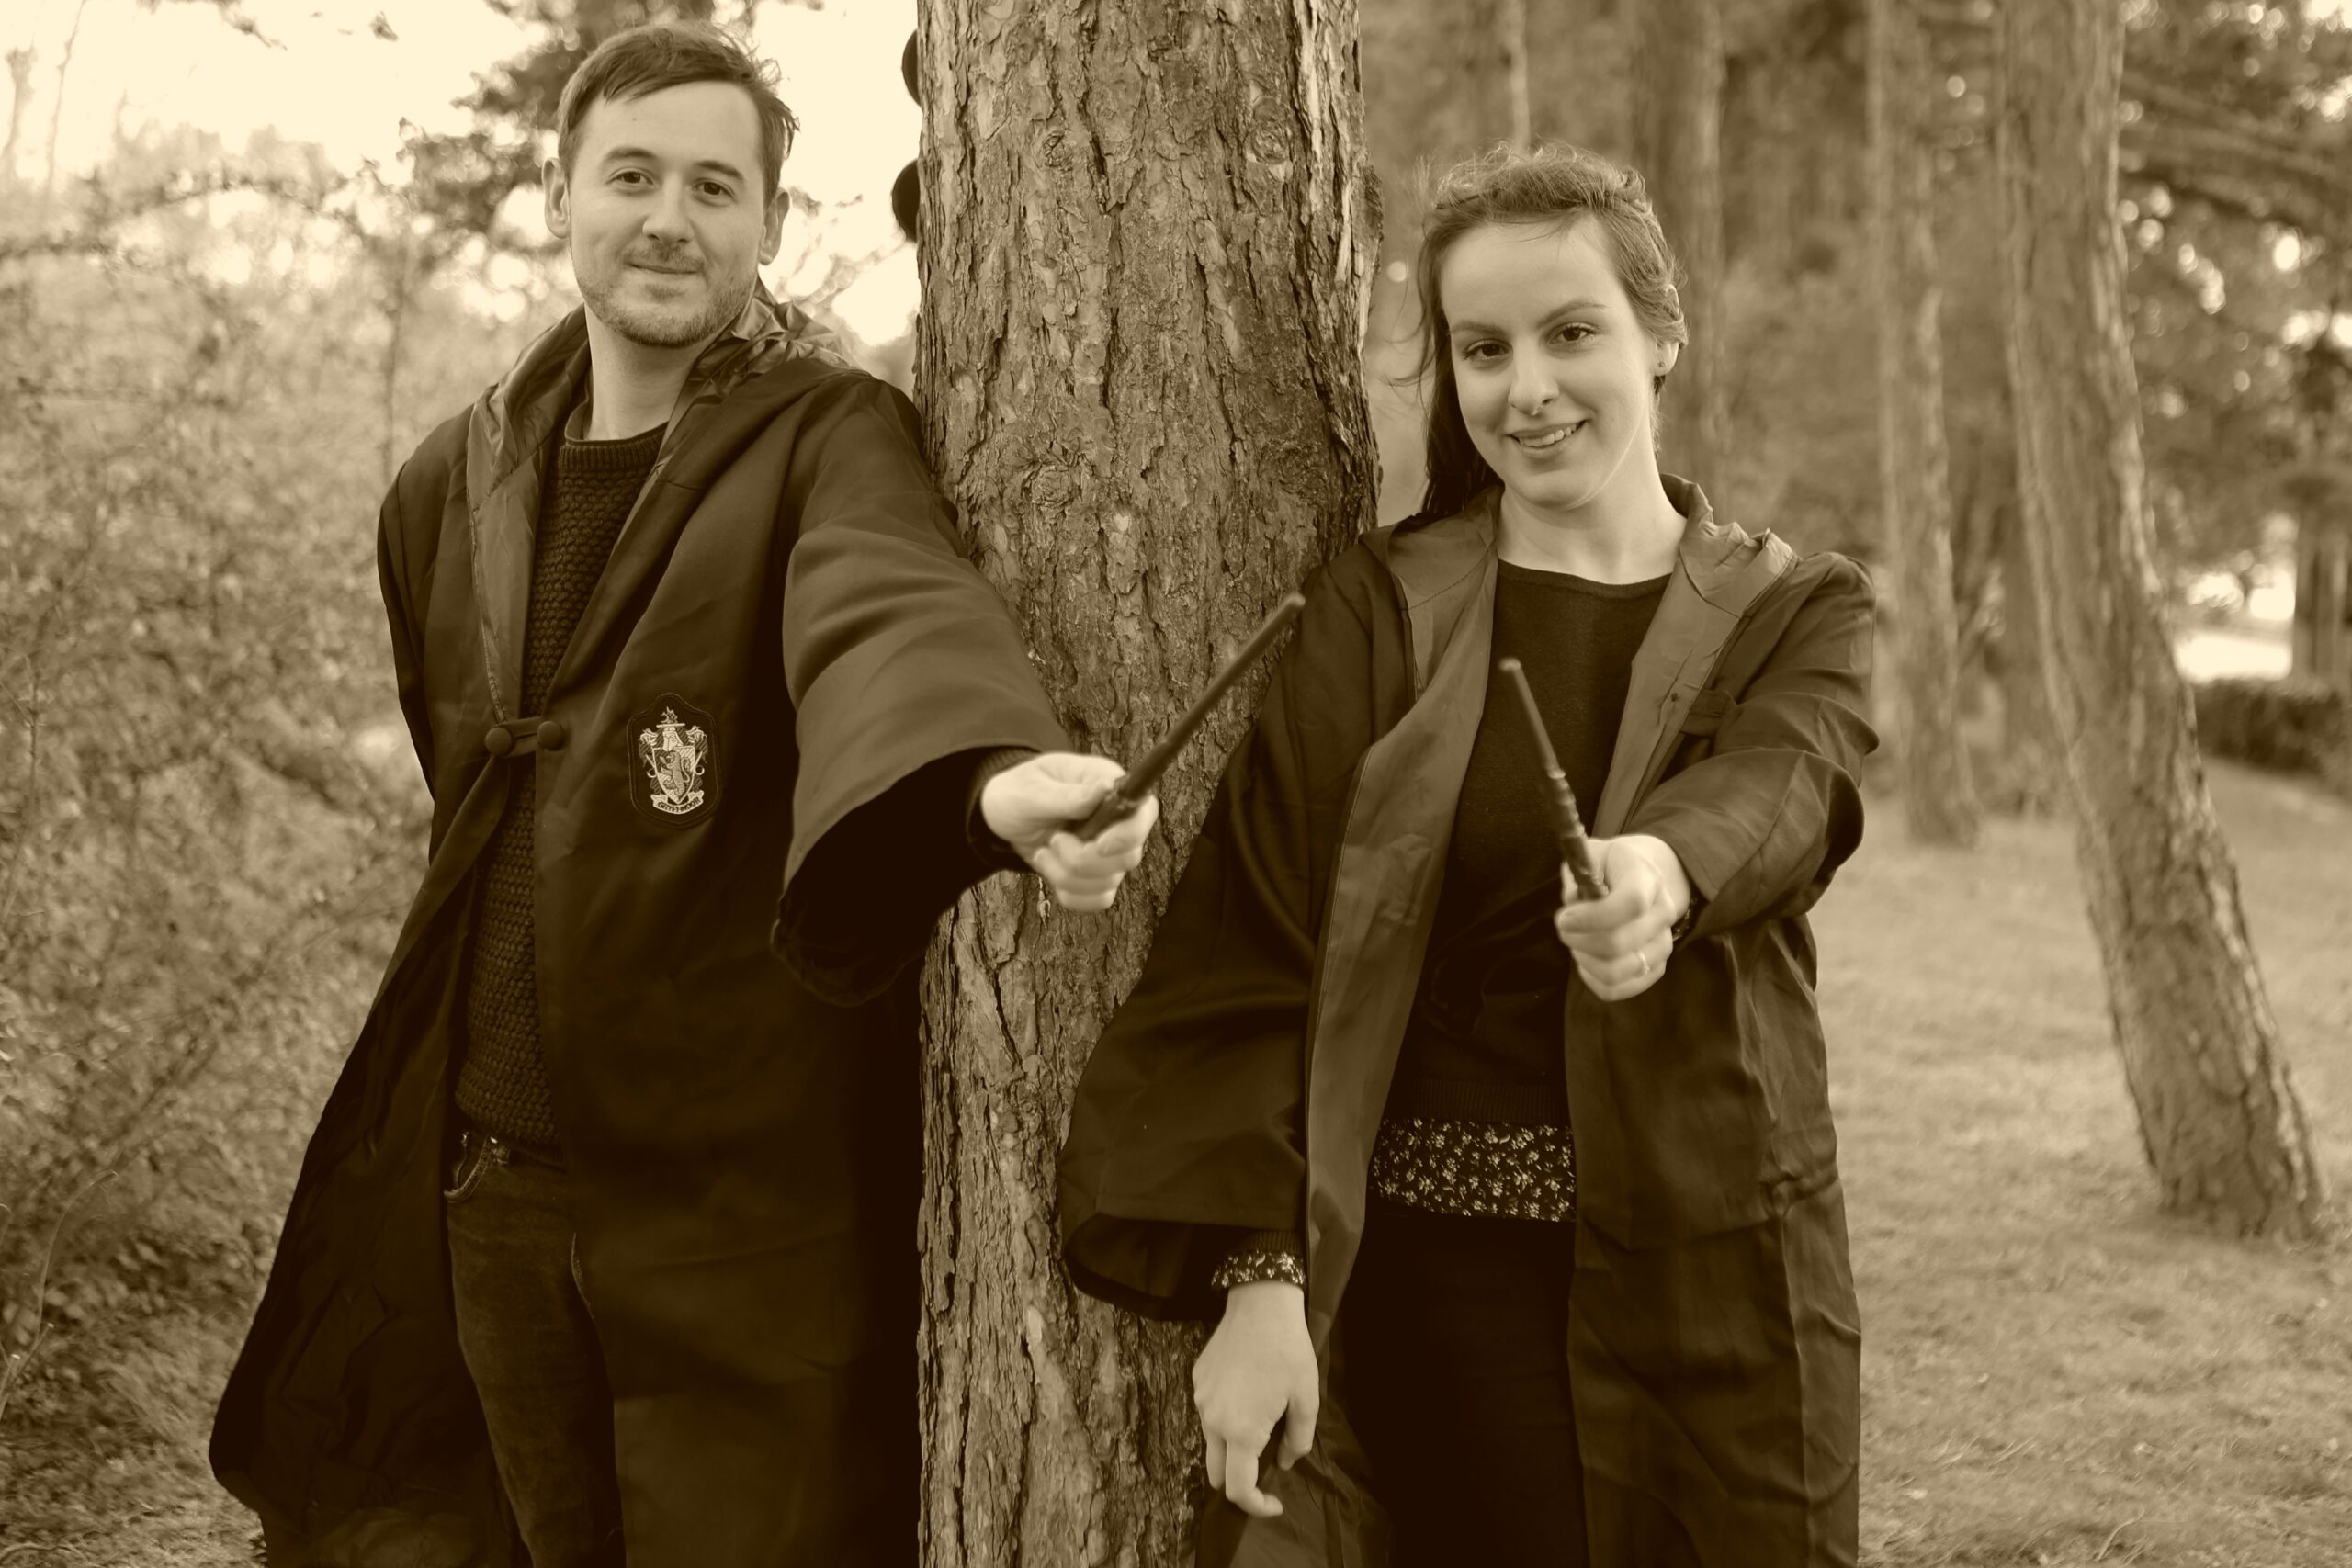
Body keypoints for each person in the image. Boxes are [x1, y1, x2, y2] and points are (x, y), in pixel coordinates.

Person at [210, 22, 1157, 1568]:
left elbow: (883, 618)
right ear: (560, 194)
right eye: (632, 176)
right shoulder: (450, 484)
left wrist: (987, 785)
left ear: (769, 222)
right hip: (494, 1183)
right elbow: (476, 800)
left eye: (716, 187)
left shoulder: (825, 439)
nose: (669, 218)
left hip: (738, 1209)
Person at [1058, 142, 1874, 1567]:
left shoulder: (1789, 609)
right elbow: (1257, 937)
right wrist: (1260, 1278)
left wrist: (1660, 874)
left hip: (1713, 1270)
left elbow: (1790, 782)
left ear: (1661, 335)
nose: (1528, 388)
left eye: (1573, 333)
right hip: (1432, 1300)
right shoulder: (1387, 609)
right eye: (1483, 349)